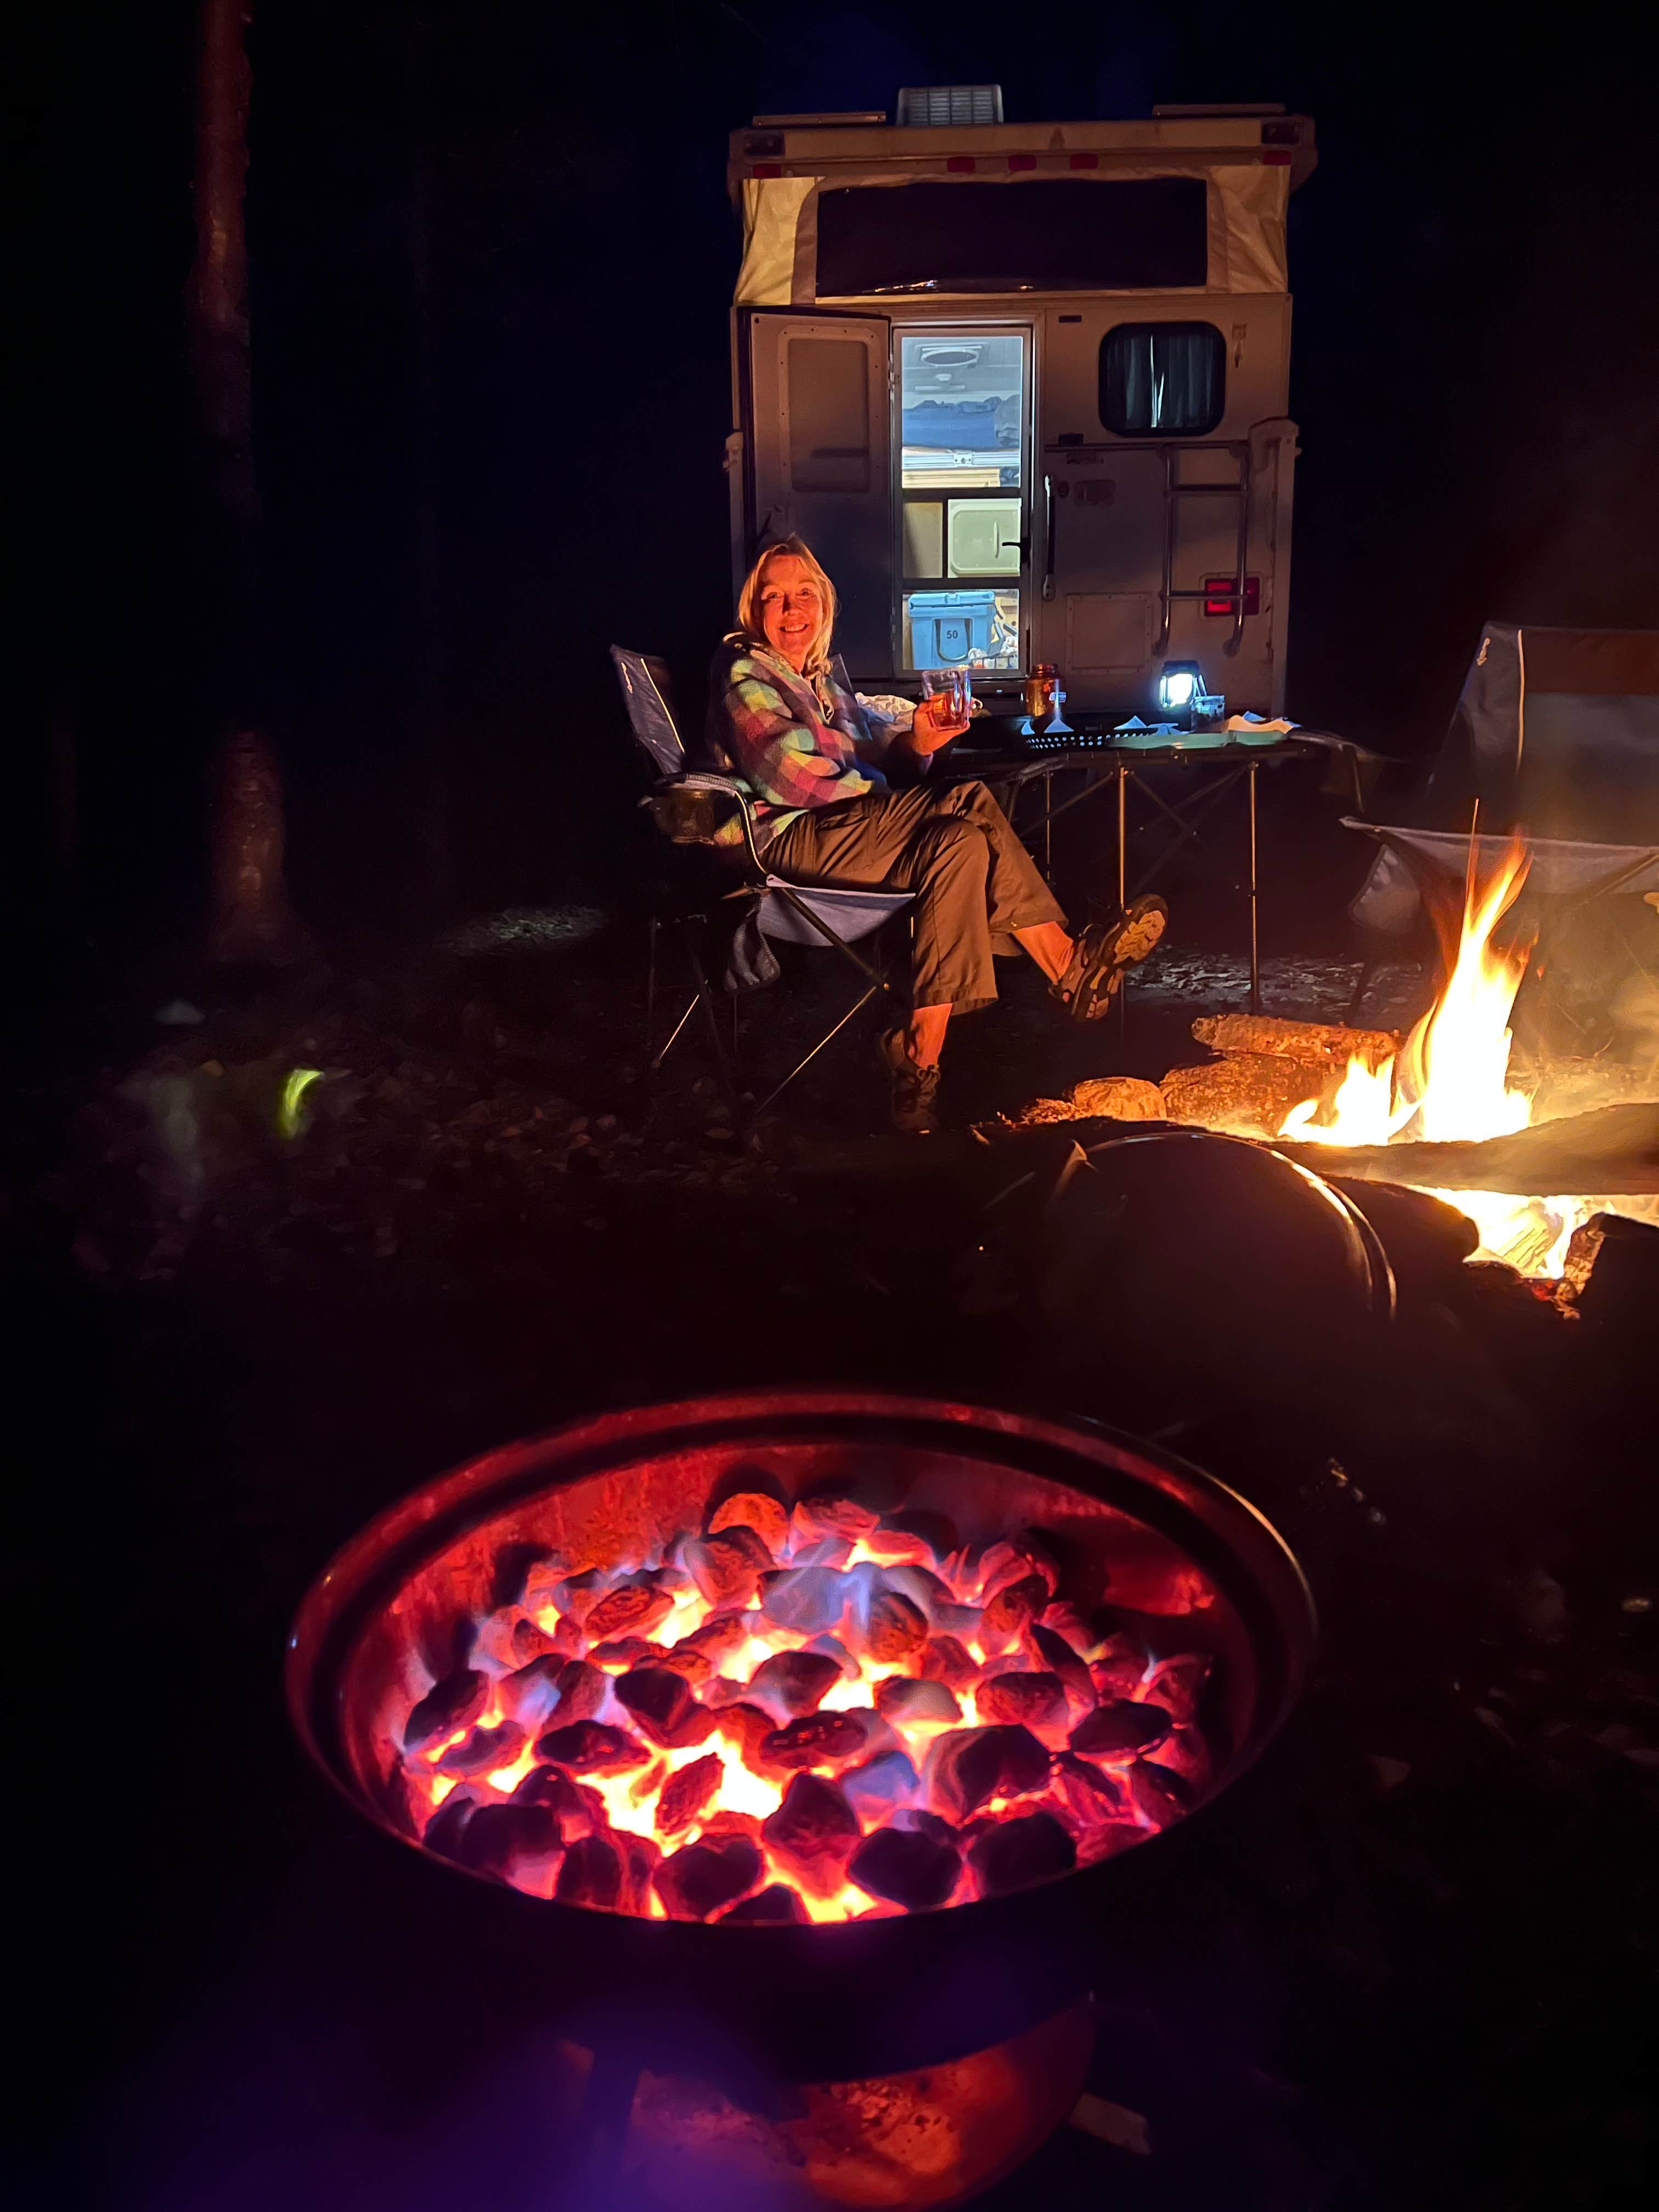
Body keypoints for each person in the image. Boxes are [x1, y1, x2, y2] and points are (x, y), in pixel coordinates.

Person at [706, 537, 1166, 1133]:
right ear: (754, 611)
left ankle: (919, 1060)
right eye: (775, 598)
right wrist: (899, 799)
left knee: (960, 841)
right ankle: (1067, 966)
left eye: (803, 595)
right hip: (782, 843)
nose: (792, 610)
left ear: (824, 603)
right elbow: (795, 780)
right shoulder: (744, 669)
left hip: (837, 835)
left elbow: (869, 754)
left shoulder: (819, 680)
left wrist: (916, 744)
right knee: (965, 803)